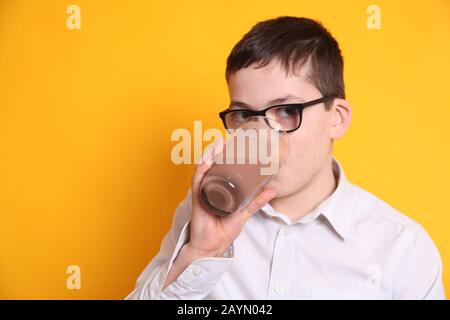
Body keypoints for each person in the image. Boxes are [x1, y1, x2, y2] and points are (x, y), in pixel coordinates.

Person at [126, 16, 445, 300]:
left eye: (286, 112)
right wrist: (199, 253)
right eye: (244, 115)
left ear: (336, 118)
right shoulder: (201, 216)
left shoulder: (403, 249)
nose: (262, 133)